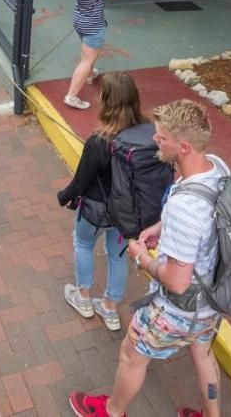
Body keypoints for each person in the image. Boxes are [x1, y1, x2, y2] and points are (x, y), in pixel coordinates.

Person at [70, 99, 229, 417]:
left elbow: (177, 281)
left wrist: (142, 257)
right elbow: (204, 222)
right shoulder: (216, 167)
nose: (155, 139)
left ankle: (111, 412)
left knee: (132, 353)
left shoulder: (185, 208)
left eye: (162, 136)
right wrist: (162, 225)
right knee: (203, 353)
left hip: (178, 308)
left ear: (183, 146)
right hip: (211, 299)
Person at [57, 72, 149, 333]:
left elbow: (80, 183)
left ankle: (84, 297)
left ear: (106, 102)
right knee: (117, 257)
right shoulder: (145, 139)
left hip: (95, 212)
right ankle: (109, 308)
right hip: (125, 215)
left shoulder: (97, 142)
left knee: (83, 244)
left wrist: (64, 196)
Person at [64, 0, 126, 110]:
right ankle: (72, 95)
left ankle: (90, 75)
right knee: (87, 60)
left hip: (79, 21)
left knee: (87, 54)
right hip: (93, 26)